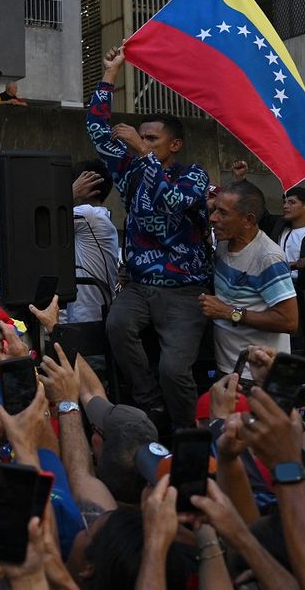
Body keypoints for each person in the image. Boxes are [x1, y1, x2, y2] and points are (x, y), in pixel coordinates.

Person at [88, 43, 211, 431]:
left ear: (174, 144)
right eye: (141, 137)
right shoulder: (129, 169)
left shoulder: (193, 175)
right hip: (140, 286)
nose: (142, 141)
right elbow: (96, 129)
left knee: (175, 369)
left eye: (153, 138)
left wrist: (143, 154)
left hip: (184, 291)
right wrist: (110, 74)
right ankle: (149, 403)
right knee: (116, 326)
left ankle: (186, 434)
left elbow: (172, 201)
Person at [199, 180, 298, 378]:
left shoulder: (268, 257)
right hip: (228, 370)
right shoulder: (224, 243)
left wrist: (228, 312)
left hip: (257, 377)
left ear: (248, 221)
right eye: (214, 209)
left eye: (223, 213)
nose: (213, 218)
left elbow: (289, 321)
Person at [67, 160, 119, 324]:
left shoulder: (89, 215)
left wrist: (71, 192)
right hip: (85, 315)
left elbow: (41, 216)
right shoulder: (95, 216)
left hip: (89, 318)